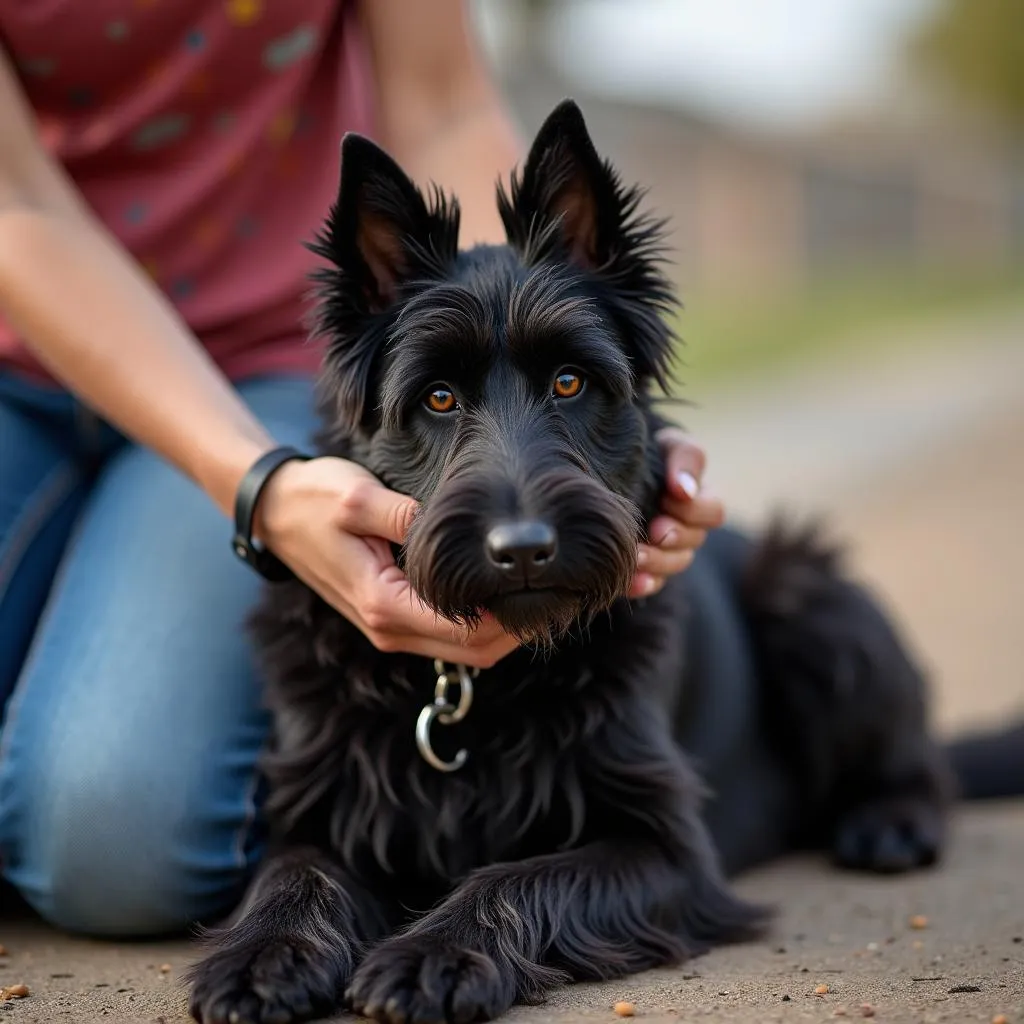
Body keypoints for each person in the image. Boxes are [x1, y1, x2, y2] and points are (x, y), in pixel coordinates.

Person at [0, 1, 724, 937]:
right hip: (19, 355)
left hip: (255, 364)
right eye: (441, 401)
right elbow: (11, 204)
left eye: (575, 381)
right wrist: (258, 486)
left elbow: (447, 106)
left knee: (112, 852)